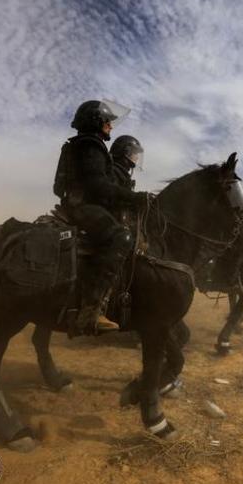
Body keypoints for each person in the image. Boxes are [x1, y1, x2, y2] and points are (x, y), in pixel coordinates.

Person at [52, 100, 152, 335]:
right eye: (107, 121)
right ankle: (92, 311)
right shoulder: (90, 145)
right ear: (96, 121)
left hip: (80, 204)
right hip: (84, 207)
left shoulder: (84, 145)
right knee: (122, 238)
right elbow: (98, 185)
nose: (110, 126)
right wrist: (135, 199)